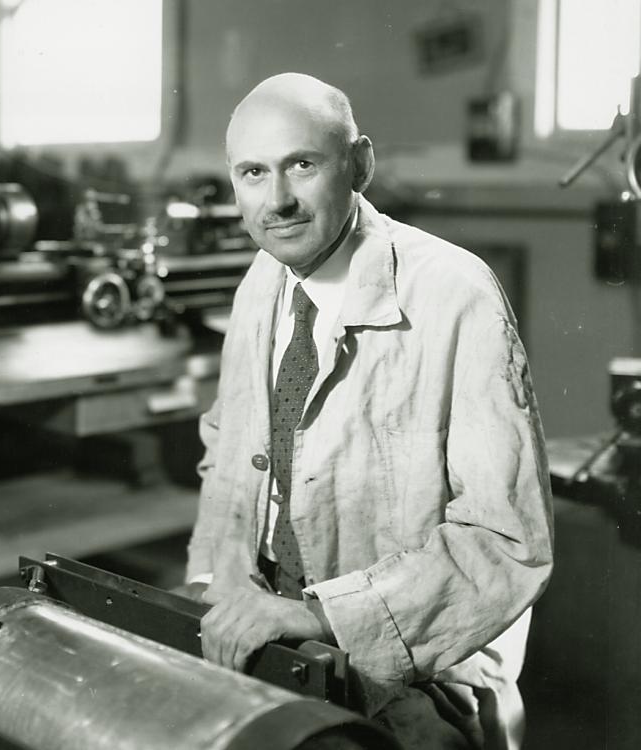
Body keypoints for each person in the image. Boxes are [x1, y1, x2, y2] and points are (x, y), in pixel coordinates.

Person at [183, 72, 553, 749]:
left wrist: (323, 617)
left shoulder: (455, 294)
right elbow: (228, 451)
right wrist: (214, 585)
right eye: (253, 173)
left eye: (302, 164)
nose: (279, 200)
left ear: (360, 165)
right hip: (271, 648)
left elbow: (505, 543)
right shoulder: (260, 284)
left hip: (420, 672)